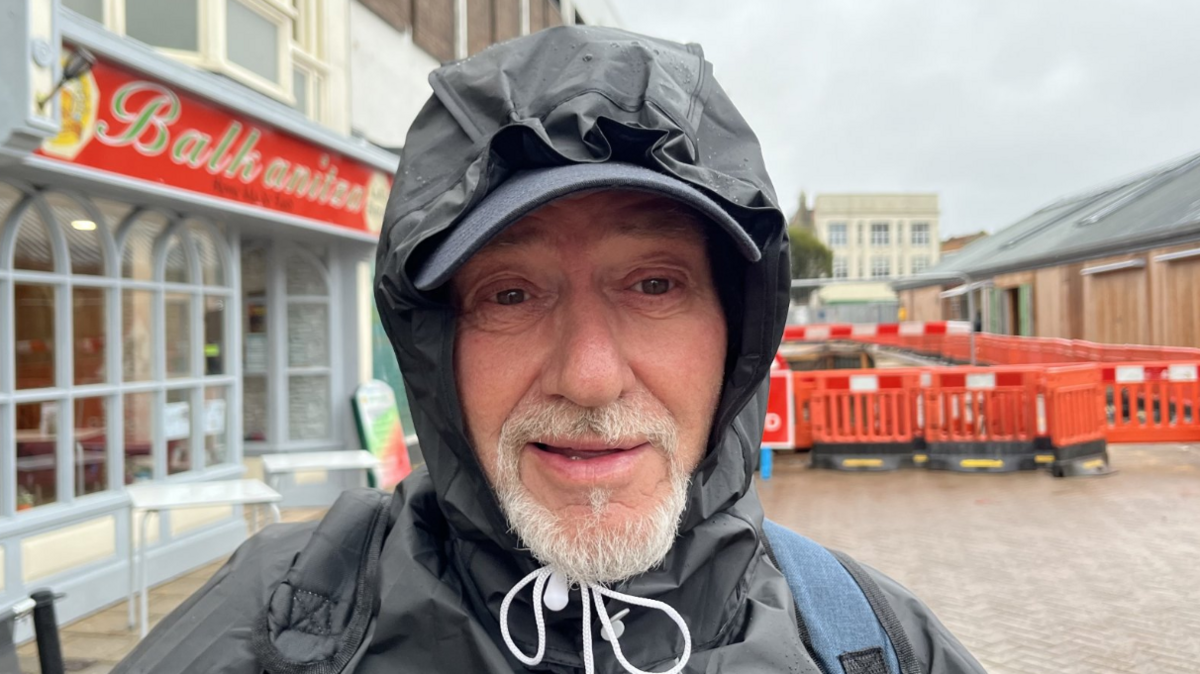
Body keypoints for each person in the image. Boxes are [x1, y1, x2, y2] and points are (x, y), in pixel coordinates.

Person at [114, 26, 984, 674]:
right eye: (511, 295)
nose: (591, 377)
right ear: (437, 344)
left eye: (653, 286)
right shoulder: (278, 622)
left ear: (738, 331)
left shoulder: (868, 644)